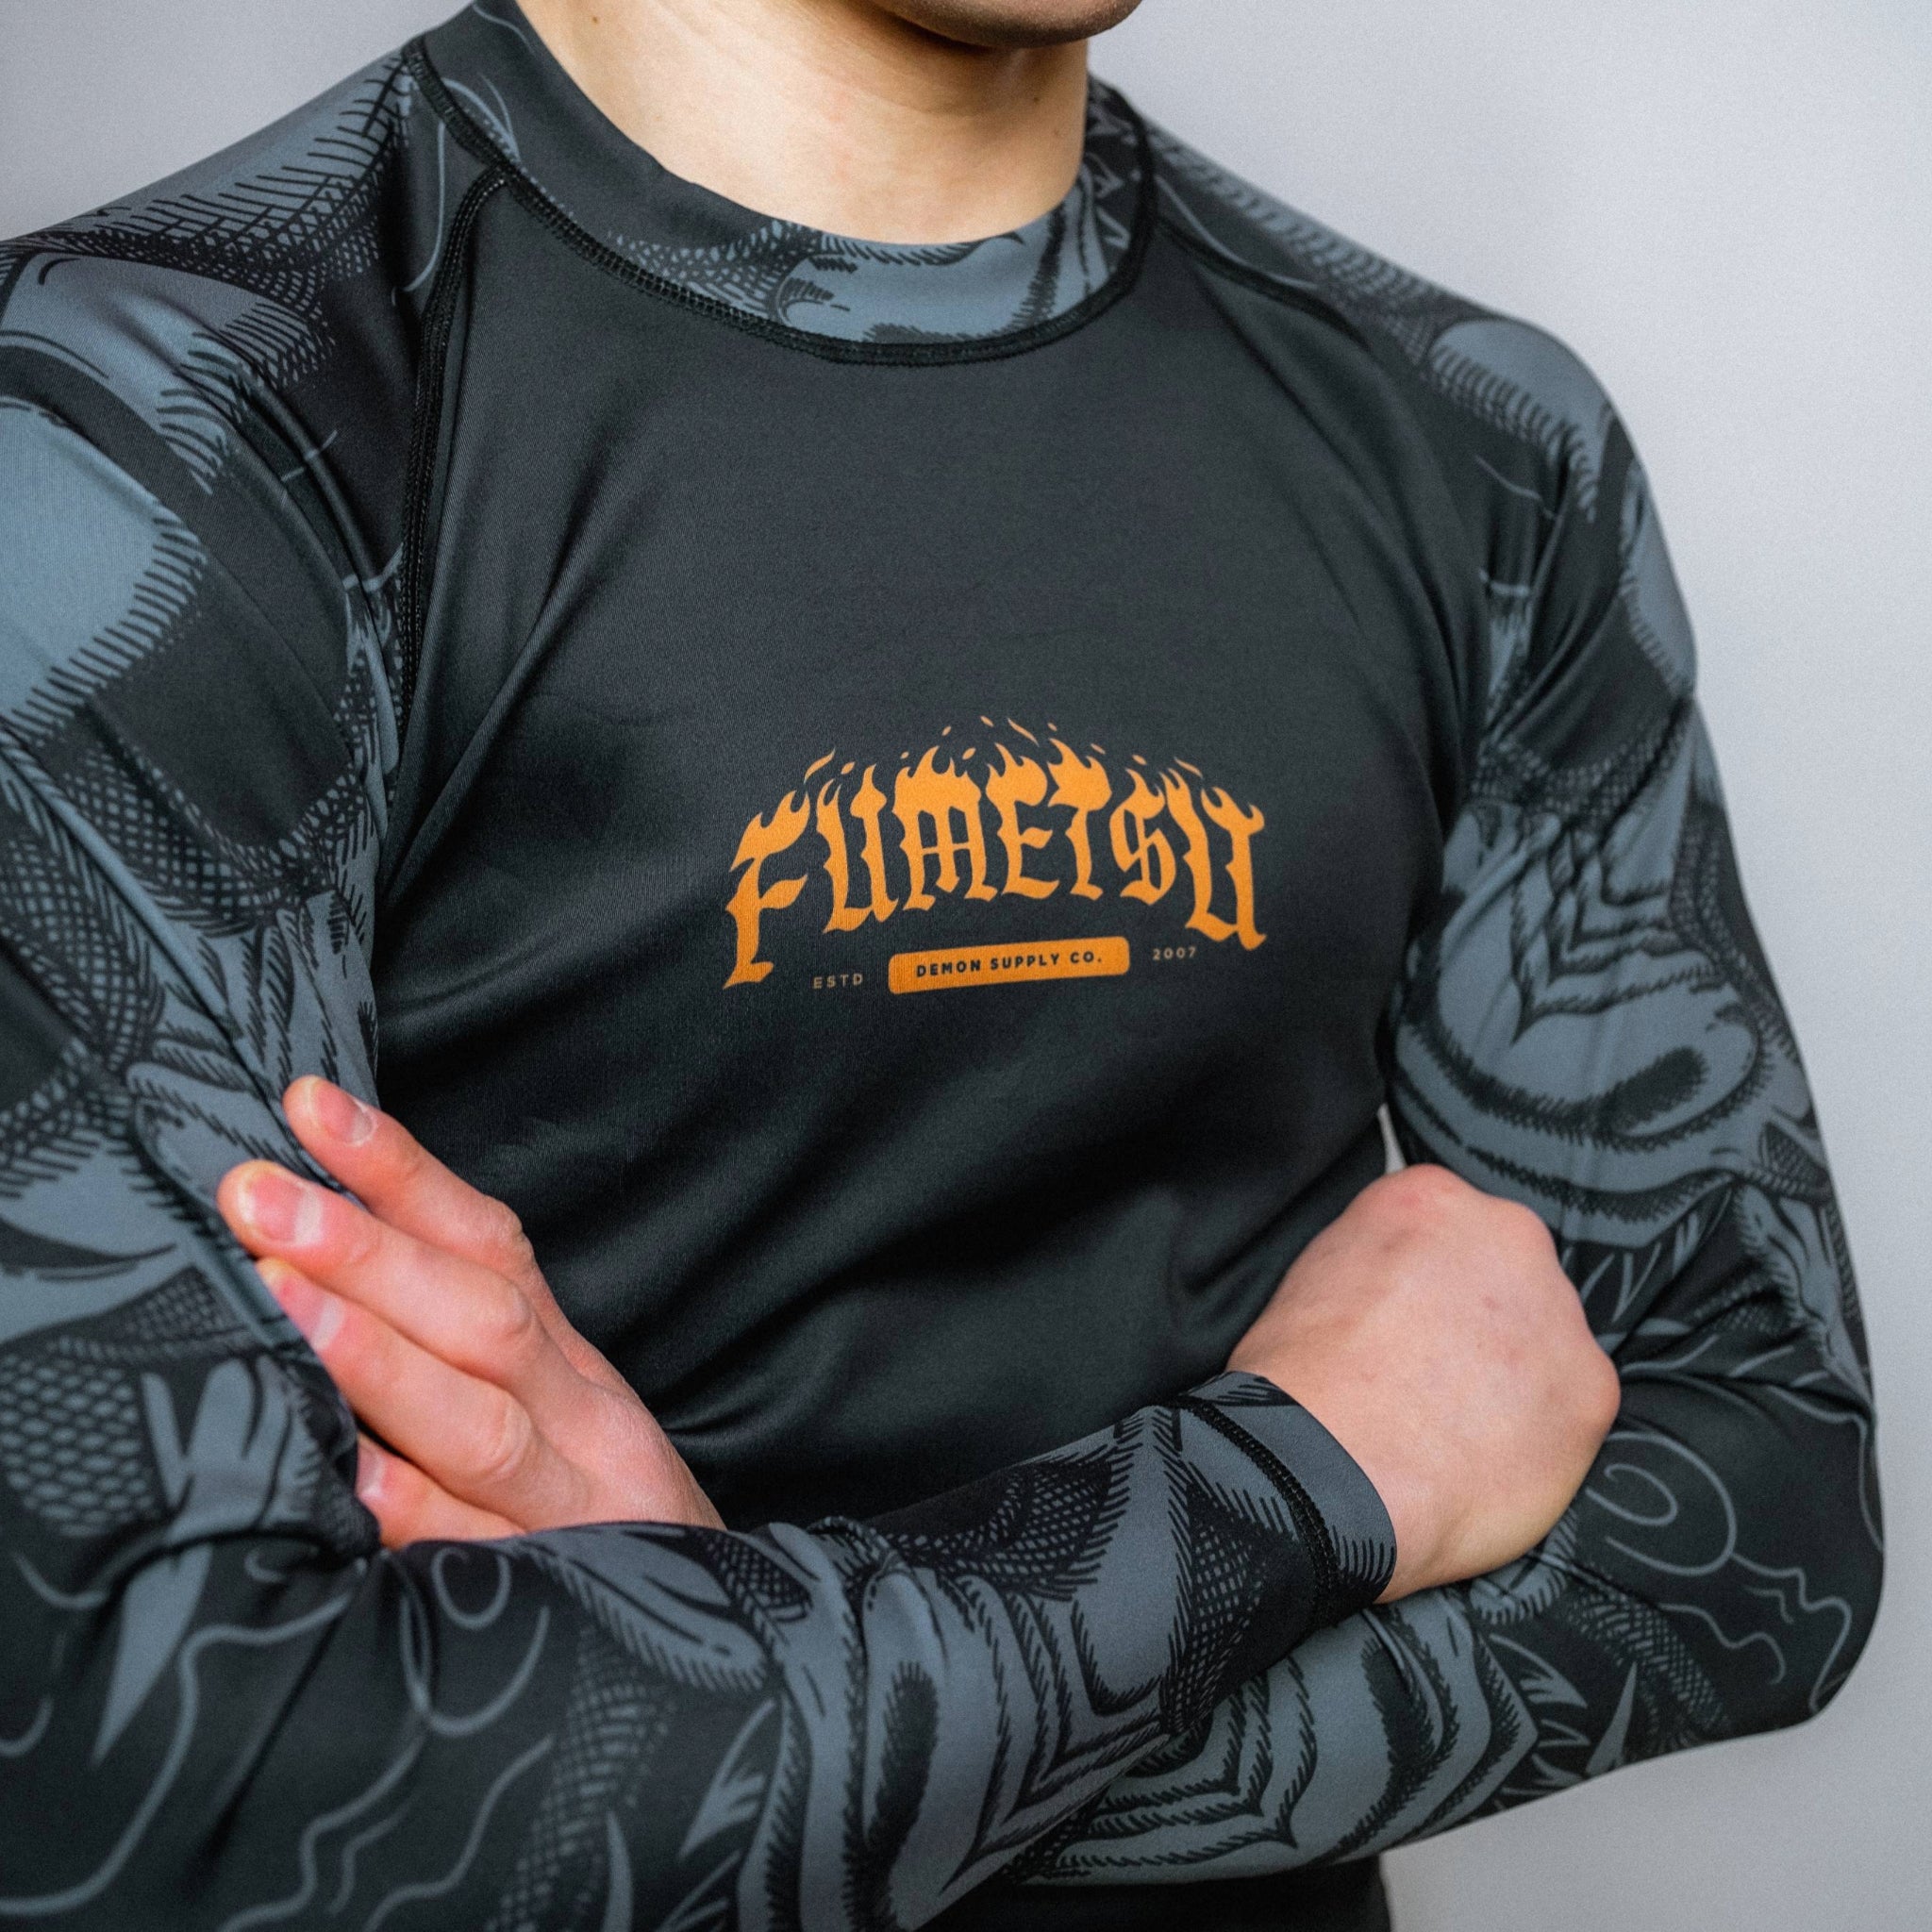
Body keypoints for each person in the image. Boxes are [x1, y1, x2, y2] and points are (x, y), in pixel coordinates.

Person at [0, 1, 1880, 1926]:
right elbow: (164, 1785)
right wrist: (1314, 1470)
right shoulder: (143, 430)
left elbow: (1771, 1524)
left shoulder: (1475, 445)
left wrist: (761, 1696)